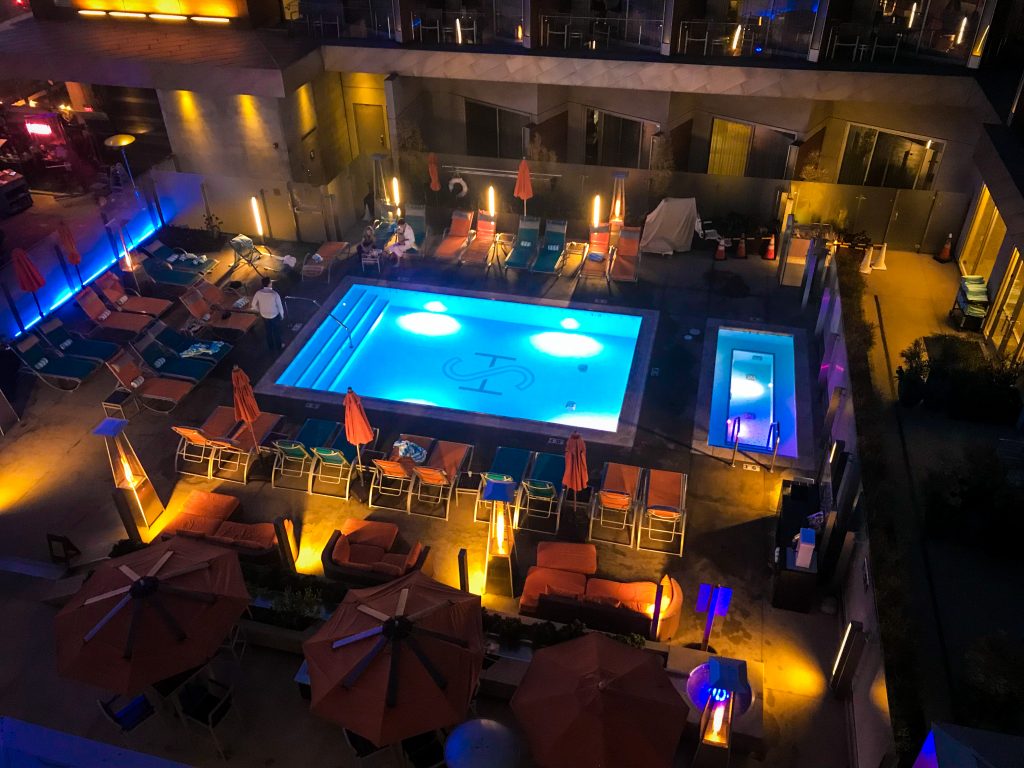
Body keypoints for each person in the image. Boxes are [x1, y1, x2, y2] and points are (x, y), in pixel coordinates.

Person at [251, 276, 285, 351]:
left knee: (268, 331)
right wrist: (282, 315)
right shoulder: (274, 294)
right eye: (271, 282)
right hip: (274, 315)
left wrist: (260, 310)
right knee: (276, 331)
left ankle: (271, 347)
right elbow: (280, 306)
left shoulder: (258, 293)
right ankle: (279, 346)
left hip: (264, 316)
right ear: (269, 284)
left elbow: (253, 305)